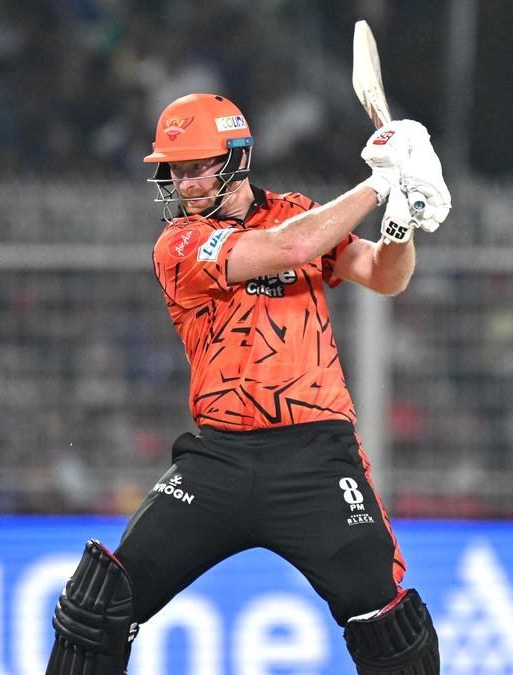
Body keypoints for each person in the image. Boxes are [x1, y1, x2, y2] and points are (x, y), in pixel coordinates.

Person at [45, 93, 450, 674]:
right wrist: (381, 182)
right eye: (176, 170)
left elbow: (385, 276)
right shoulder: (178, 244)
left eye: (197, 166)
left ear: (237, 157)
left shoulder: (298, 210)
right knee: (98, 608)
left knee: (389, 626)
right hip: (220, 461)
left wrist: (400, 223)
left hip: (317, 458)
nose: (185, 183)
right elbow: (291, 247)